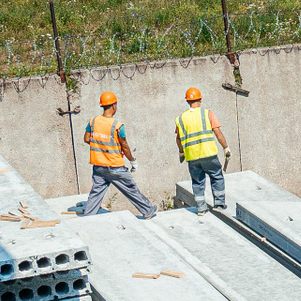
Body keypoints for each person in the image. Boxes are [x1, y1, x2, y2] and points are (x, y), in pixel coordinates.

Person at [80, 91, 158, 219]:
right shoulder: (118, 126)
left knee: (96, 192)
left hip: (99, 166)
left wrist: (100, 146)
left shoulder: (93, 121)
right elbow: (125, 146)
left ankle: (89, 216)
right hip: (115, 166)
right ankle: (148, 210)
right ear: (113, 106)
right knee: (130, 189)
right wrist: (132, 161)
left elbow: (87, 139)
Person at [175, 87, 229, 212]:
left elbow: (178, 139)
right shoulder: (207, 114)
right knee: (216, 176)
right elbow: (218, 133)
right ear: (200, 99)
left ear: (187, 101)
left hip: (192, 156)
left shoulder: (180, 118)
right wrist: (226, 148)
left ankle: (201, 208)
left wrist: (181, 152)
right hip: (208, 154)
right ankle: (219, 204)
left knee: (197, 181)